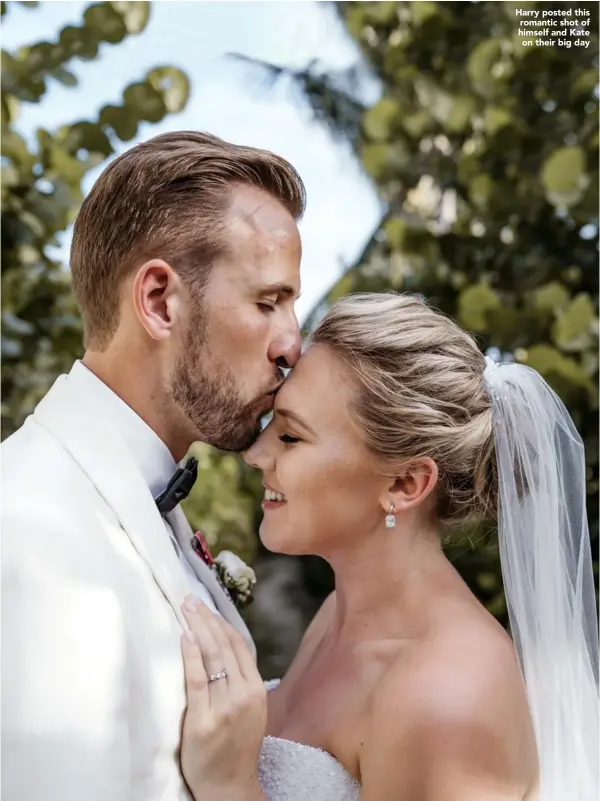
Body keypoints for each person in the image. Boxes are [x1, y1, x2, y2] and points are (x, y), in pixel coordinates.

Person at [179, 292, 599, 801]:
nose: (255, 453)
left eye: (291, 437)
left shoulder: (449, 692)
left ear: (404, 484)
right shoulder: (337, 614)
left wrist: (229, 786)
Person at [1, 130, 305, 801]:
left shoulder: (138, 499)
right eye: (268, 301)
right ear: (161, 301)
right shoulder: (31, 533)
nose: (292, 345)